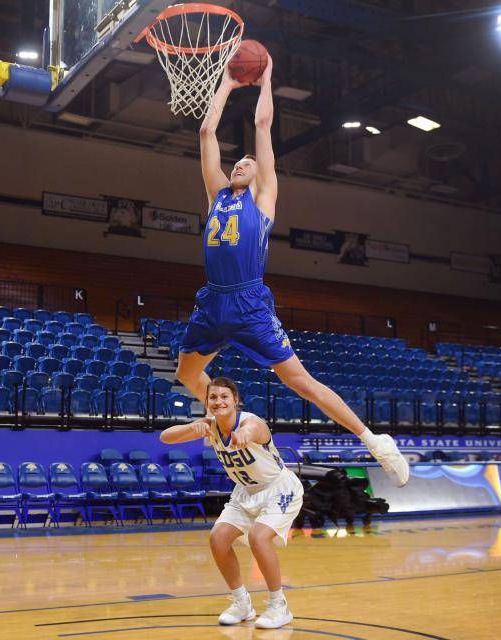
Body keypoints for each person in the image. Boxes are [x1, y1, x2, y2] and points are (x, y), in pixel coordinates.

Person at [176, 54, 409, 487]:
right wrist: (226, 83)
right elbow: (207, 131)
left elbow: (263, 127)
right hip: (211, 299)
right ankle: (222, 422)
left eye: (249, 163)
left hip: (248, 301)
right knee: (187, 375)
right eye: (238, 162)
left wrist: (265, 83)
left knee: (300, 381)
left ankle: (375, 441)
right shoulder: (216, 197)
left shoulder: (261, 199)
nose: (241, 164)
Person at [159, 377, 302, 628]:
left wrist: (243, 436)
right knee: (218, 538)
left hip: (278, 488)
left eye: (224, 396)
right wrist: (194, 427)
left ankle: (279, 606)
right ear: (207, 402)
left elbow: (251, 431)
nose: (218, 401)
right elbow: (165, 437)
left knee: (259, 538)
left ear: (235, 400)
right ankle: (241, 603)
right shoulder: (209, 425)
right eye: (213, 397)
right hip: (245, 491)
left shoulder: (250, 422)